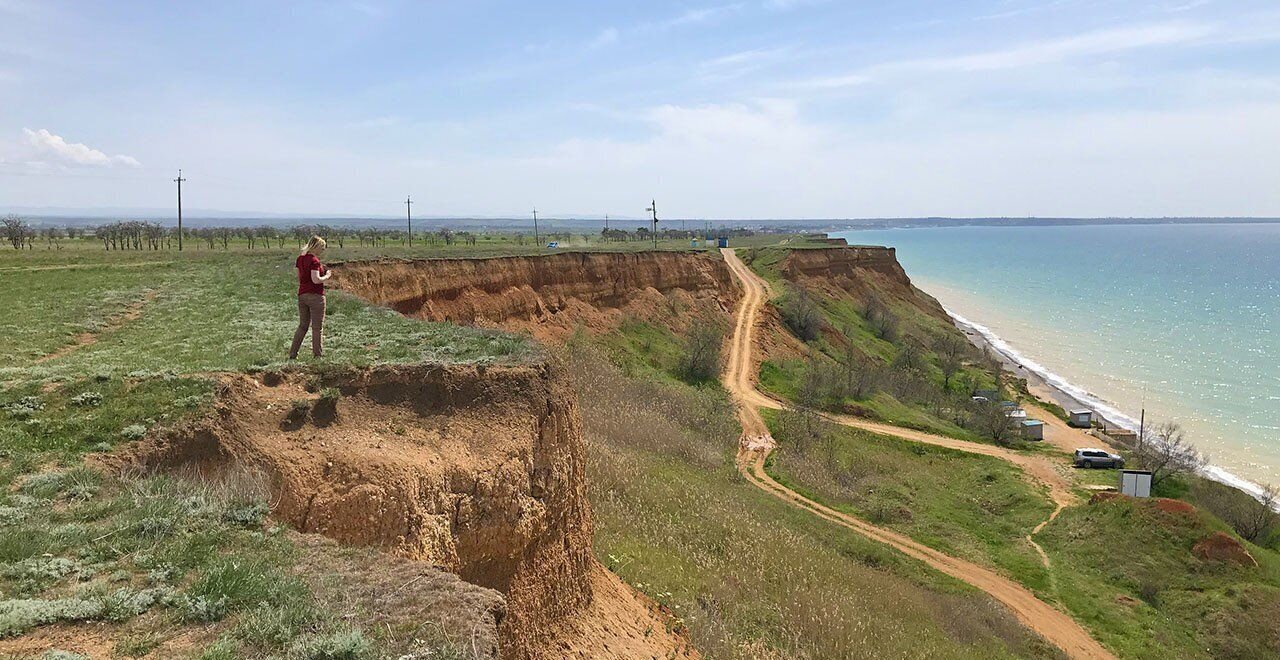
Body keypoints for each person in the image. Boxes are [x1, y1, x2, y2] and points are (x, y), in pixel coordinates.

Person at [290, 235, 332, 359]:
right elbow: (316, 280)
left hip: (302, 295)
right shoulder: (314, 261)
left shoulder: (300, 259)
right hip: (316, 296)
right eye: (322, 248)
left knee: (303, 326)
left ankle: (293, 353)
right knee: (317, 327)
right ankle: (317, 355)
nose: (323, 250)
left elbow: (300, 277)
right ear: (316, 246)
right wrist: (327, 276)